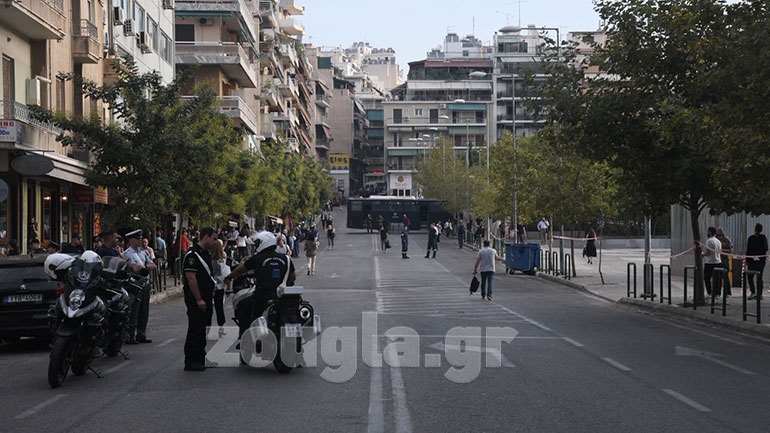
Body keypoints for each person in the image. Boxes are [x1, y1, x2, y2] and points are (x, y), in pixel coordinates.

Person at [225, 232, 296, 338]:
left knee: (242, 306)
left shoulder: (257, 258)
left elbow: (240, 269)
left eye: (258, 243)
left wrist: (229, 277)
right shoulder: (286, 259)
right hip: (282, 297)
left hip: (263, 296)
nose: (257, 246)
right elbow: (293, 277)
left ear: (264, 243)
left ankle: (245, 337)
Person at [182, 227, 218, 371]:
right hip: (197, 298)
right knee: (195, 328)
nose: (215, 242)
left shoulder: (204, 254)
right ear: (206, 237)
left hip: (207, 297)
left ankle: (200, 358)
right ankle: (191, 361)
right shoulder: (193, 255)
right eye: (214, 239)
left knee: (204, 328)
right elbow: (191, 278)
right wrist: (198, 299)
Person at [123, 230, 157, 344]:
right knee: (134, 311)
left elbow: (153, 265)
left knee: (144, 310)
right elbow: (134, 268)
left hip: (145, 284)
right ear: (131, 240)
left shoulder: (143, 253)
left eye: (141, 239)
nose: (140, 241)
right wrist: (140, 268)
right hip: (134, 285)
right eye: (137, 239)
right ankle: (130, 335)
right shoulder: (127, 253)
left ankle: (141, 334)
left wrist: (145, 266)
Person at [210, 239, 230, 333]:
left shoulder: (209, 259)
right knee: (219, 307)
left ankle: (207, 328)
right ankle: (221, 328)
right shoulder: (223, 259)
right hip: (219, 286)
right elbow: (226, 274)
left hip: (209, 286)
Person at [746, 223, 768, 300]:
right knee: (760, 277)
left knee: (750, 276)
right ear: (761, 230)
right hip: (761, 261)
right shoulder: (764, 238)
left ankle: (753, 291)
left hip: (752, 261)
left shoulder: (751, 238)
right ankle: (760, 294)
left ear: (755, 229)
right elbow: (766, 248)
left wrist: (747, 260)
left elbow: (748, 250)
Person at [702, 227, 723, 298]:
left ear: (710, 232)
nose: (707, 233)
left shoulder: (709, 241)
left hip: (710, 262)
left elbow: (708, 252)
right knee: (717, 278)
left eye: (708, 231)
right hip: (718, 261)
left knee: (707, 278)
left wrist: (702, 254)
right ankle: (718, 294)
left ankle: (709, 293)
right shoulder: (718, 241)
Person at [715, 228, 733, 297]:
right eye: (718, 236)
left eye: (721, 235)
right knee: (717, 278)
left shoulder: (727, 240)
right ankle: (717, 293)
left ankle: (727, 293)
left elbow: (731, 250)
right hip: (717, 261)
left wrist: (721, 250)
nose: (720, 237)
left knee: (725, 277)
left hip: (725, 261)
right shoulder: (716, 240)